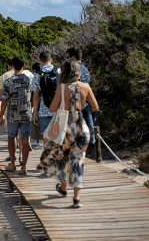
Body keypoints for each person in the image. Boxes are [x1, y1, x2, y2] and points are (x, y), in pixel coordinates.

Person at [40, 59, 98, 208]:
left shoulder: (62, 87)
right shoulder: (86, 86)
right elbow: (95, 107)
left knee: (64, 158)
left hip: (66, 129)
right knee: (78, 161)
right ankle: (76, 198)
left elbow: (52, 108)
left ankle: (64, 187)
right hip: (81, 128)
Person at [0, 56, 33, 175]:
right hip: (26, 114)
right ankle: (24, 166)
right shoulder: (30, 80)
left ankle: (12, 164)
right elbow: (34, 96)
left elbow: (4, 100)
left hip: (13, 114)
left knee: (11, 137)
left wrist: (1, 115)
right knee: (25, 140)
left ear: (12, 66)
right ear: (23, 66)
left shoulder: (8, 81)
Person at [32, 51, 61, 170]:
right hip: (58, 110)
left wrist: (35, 113)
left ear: (40, 61)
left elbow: (35, 97)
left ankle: (46, 161)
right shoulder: (59, 72)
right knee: (57, 136)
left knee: (46, 137)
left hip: (44, 110)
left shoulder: (38, 75)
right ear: (52, 60)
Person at [31, 62, 43, 149]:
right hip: (48, 103)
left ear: (34, 70)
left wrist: (34, 109)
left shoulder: (36, 76)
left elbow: (34, 94)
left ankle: (38, 141)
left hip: (38, 102)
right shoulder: (44, 74)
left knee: (36, 121)